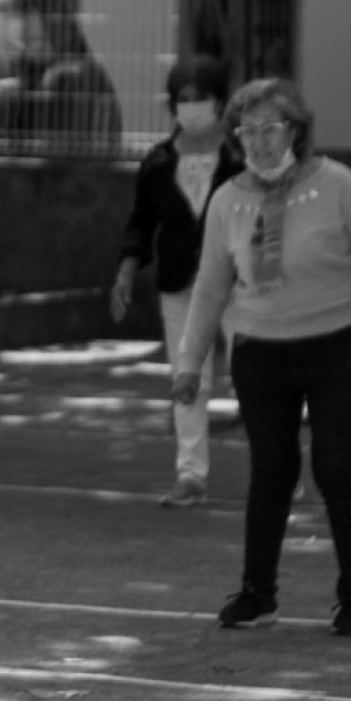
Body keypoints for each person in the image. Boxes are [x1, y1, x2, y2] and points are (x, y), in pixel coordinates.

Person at [171, 77, 351, 633]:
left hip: (337, 345)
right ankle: (257, 593)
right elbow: (211, 287)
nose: (260, 141)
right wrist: (190, 363)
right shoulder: (227, 199)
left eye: (271, 129)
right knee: (271, 470)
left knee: (336, 467)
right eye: (248, 131)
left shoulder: (336, 183)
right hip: (260, 354)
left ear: (296, 130)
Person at [112, 54, 242, 507]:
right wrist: (128, 268)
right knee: (189, 378)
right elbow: (141, 222)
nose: (191, 107)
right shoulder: (158, 162)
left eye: (200, 98)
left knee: (255, 377)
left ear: (220, 102)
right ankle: (190, 474)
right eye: (182, 100)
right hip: (179, 283)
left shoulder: (241, 157)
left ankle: (278, 468)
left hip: (239, 284)